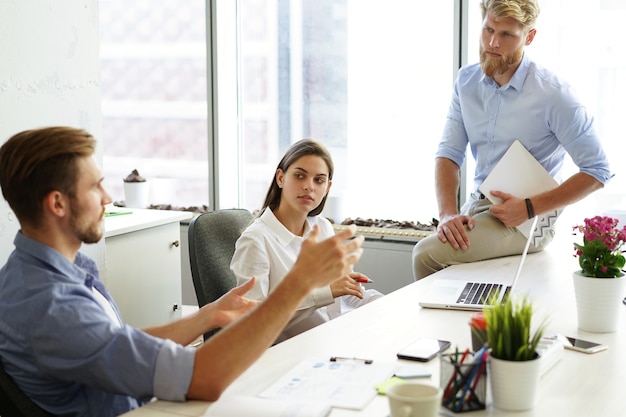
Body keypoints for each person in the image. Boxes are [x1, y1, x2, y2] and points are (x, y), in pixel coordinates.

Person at [0, 126, 364, 417]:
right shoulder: (53, 304)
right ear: (58, 203)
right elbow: (202, 379)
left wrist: (206, 317)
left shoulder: (51, 271)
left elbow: (115, 343)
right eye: (95, 186)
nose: (108, 198)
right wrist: (300, 283)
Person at [412, 0, 612, 280]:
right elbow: (449, 152)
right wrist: (447, 213)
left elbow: (597, 171)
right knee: (446, 252)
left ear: (529, 37)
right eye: (488, 30)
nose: (492, 43)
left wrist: (529, 208)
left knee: (426, 254)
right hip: (479, 207)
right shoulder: (466, 82)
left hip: (528, 222)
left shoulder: (555, 95)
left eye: (507, 35)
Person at [231, 139, 382, 343]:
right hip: (288, 353)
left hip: (331, 341)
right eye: (300, 176)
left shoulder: (323, 228)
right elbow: (253, 322)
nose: (308, 187)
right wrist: (324, 293)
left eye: (318, 180)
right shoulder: (255, 240)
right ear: (281, 177)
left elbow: (348, 293)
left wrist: (393, 304)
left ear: (327, 187)